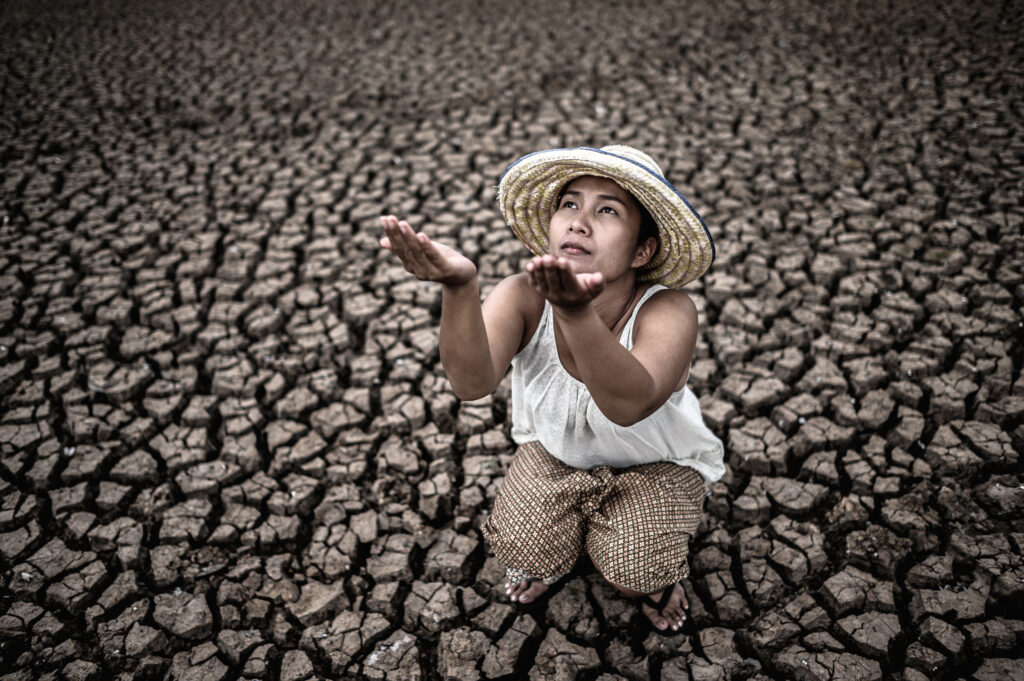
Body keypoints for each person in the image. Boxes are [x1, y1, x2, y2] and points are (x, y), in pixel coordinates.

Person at [379, 145, 725, 633]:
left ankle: (648, 572)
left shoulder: (667, 309)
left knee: (635, 571)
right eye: (569, 204)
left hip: (655, 464)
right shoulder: (521, 295)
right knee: (524, 549)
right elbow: (471, 382)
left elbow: (628, 405)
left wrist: (575, 313)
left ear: (642, 251)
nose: (579, 222)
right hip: (558, 453)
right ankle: (571, 544)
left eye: (607, 210)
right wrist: (460, 286)